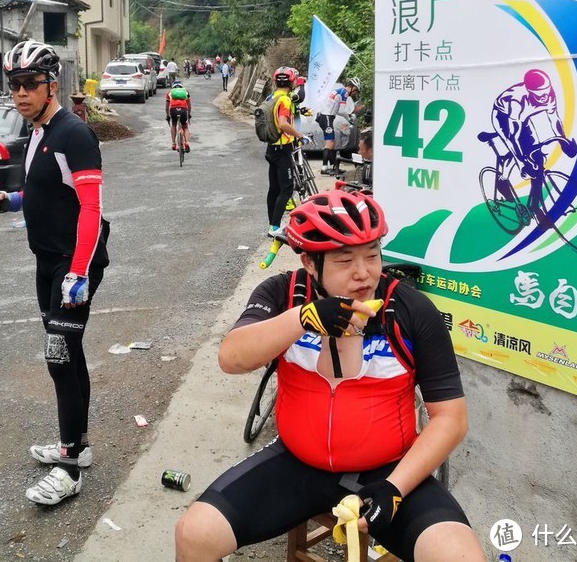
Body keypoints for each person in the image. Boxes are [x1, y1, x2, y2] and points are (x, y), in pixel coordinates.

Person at [174, 190, 484, 562]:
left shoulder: (409, 309)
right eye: (343, 260)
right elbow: (231, 357)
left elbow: (451, 418)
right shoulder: (283, 293)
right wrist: (301, 319)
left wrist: (395, 487)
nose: (364, 273)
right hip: (296, 463)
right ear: (309, 261)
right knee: (194, 535)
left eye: (372, 255)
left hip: (389, 470)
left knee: (459, 556)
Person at [0, 39, 110, 506]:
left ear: (52, 84)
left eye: (30, 84)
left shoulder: (73, 133)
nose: (20, 93)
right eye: (14, 85)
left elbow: (91, 207)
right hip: (47, 260)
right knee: (68, 354)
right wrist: (8, 200)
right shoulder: (38, 131)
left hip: (73, 263)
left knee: (58, 354)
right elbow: (47, 194)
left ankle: (69, 466)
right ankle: (78, 443)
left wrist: (78, 272)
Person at [488, 68, 577, 229]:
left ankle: (534, 207)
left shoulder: (549, 94)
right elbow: (512, 137)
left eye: (546, 92)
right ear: (530, 92)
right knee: (521, 154)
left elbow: (554, 119)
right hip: (504, 117)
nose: (544, 97)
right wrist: (521, 163)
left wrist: (563, 141)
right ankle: (502, 180)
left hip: (524, 119)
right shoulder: (516, 101)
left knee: (536, 161)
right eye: (539, 94)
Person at [265, 67, 303, 236]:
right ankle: (275, 227)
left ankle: (271, 226)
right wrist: (299, 134)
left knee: (273, 188)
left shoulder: (271, 97)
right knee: (286, 189)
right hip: (282, 149)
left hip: (271, 147)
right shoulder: (286, 100)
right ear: (290, 82)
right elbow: (282, 123)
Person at [166, 80, 192, 152]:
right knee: (185, 126)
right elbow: (189, 105)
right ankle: (186, 142)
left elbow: (166, 107)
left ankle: (174, 143)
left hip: (173, 110)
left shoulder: (169, 93)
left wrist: (167, 115)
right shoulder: (186, 92)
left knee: (174, 125)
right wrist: (189, 114)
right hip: (183, 110)